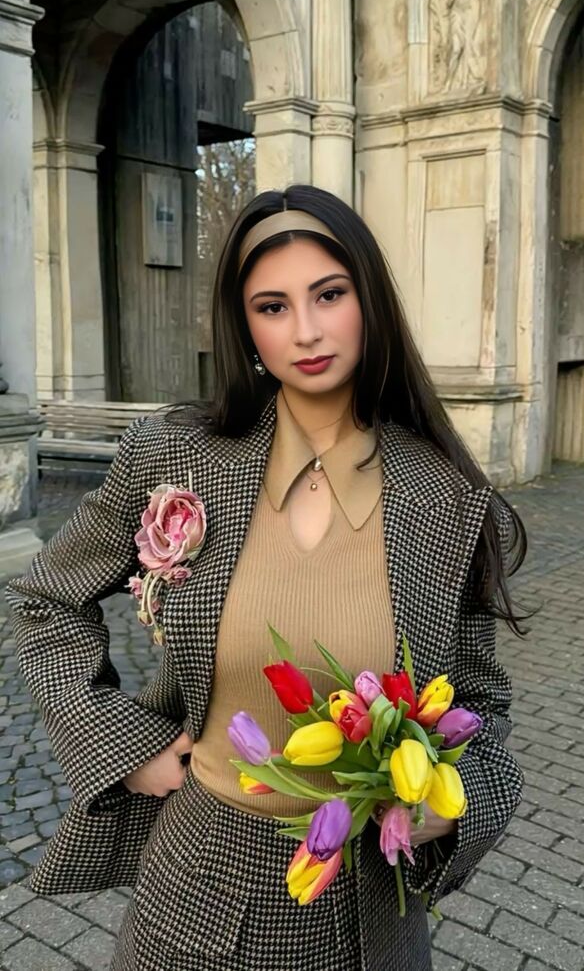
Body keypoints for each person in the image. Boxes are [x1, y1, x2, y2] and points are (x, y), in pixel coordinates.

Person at [7, 184, 527, 971]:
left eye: (329, 294)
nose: (306, 331)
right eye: (273, 307)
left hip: (371, 908)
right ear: (244, 324)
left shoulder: (446, 498)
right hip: (198, 883)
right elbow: (47, 598)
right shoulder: (177, 456)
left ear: (370, 301)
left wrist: (447, 810)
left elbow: (480, 706)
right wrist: (125, 745)